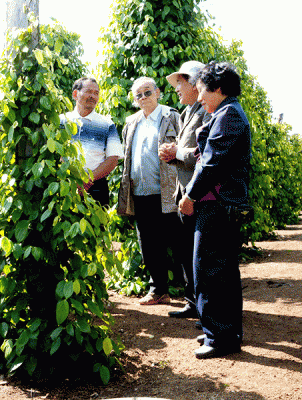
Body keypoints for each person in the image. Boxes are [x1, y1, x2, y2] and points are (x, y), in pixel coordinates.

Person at [178, 61, 251, 359]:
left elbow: (211, 163)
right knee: (222, 272)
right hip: (221, 205)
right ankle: (223, 332)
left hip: (217, 206)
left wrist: (190, 196)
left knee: (209, 270)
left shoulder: (229, 114)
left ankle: (219, 337)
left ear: (218, 89)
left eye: (202, 90)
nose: (199, 96)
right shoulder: (226, 112)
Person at [117, 77, 181, 306]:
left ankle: (192, 295)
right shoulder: (131, 122)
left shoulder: (171, 116)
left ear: (158, 92)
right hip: (141, 193)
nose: (143, 97)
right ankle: (158, 290)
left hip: (168, 192)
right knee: (148, 243)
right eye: (138, 95)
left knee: (179, 241)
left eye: (147, 92)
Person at [159, 61, 210, 319]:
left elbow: (205, 153)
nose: (177, 89)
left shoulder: (207, 111)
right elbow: (186, 152)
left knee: (202, 254)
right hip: (183, 192)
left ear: (193, 83)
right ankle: (192, 302)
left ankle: (207, 310)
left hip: (200, 194)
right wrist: (172, 154)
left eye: (180, 83)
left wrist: (177, 152)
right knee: (186, 250)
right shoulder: (185, 113)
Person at [60, 77, 123, 206]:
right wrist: (73, 179)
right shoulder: (61, 121)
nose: (93, 96)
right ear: (75, 94)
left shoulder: (107, 124)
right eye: (89, 91)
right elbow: (55, 154)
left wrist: (87, 179)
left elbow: (113, 159)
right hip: (64, 185)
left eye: (96, 93)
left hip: (96, 187)